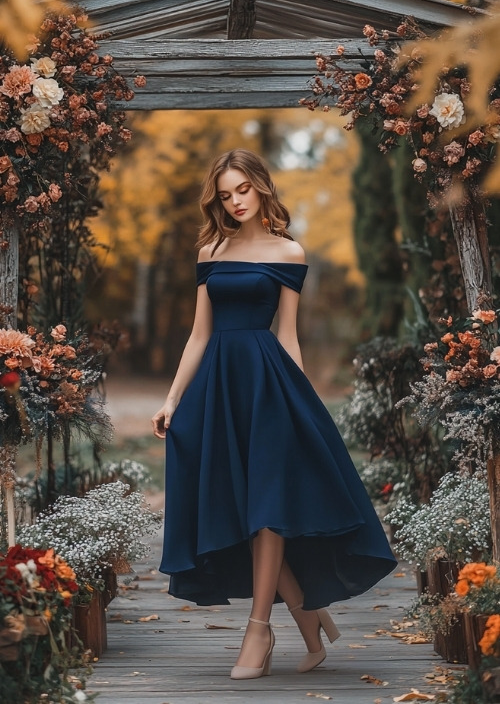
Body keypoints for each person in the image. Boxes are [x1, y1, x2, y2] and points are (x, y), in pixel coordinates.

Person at [152, 148, 397, 680]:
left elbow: (287, 334)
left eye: (242, 189)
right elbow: (199, 334)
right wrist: (172, 398)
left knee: (267, 508)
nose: (235, 201)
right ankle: (310, 621)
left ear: (261, 186)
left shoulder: (289, 252)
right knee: (242, 509)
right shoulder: (211, 249)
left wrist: (298, 402)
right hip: (219, 385)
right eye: (225, 194)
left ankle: (259, 629)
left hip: (268, 387)